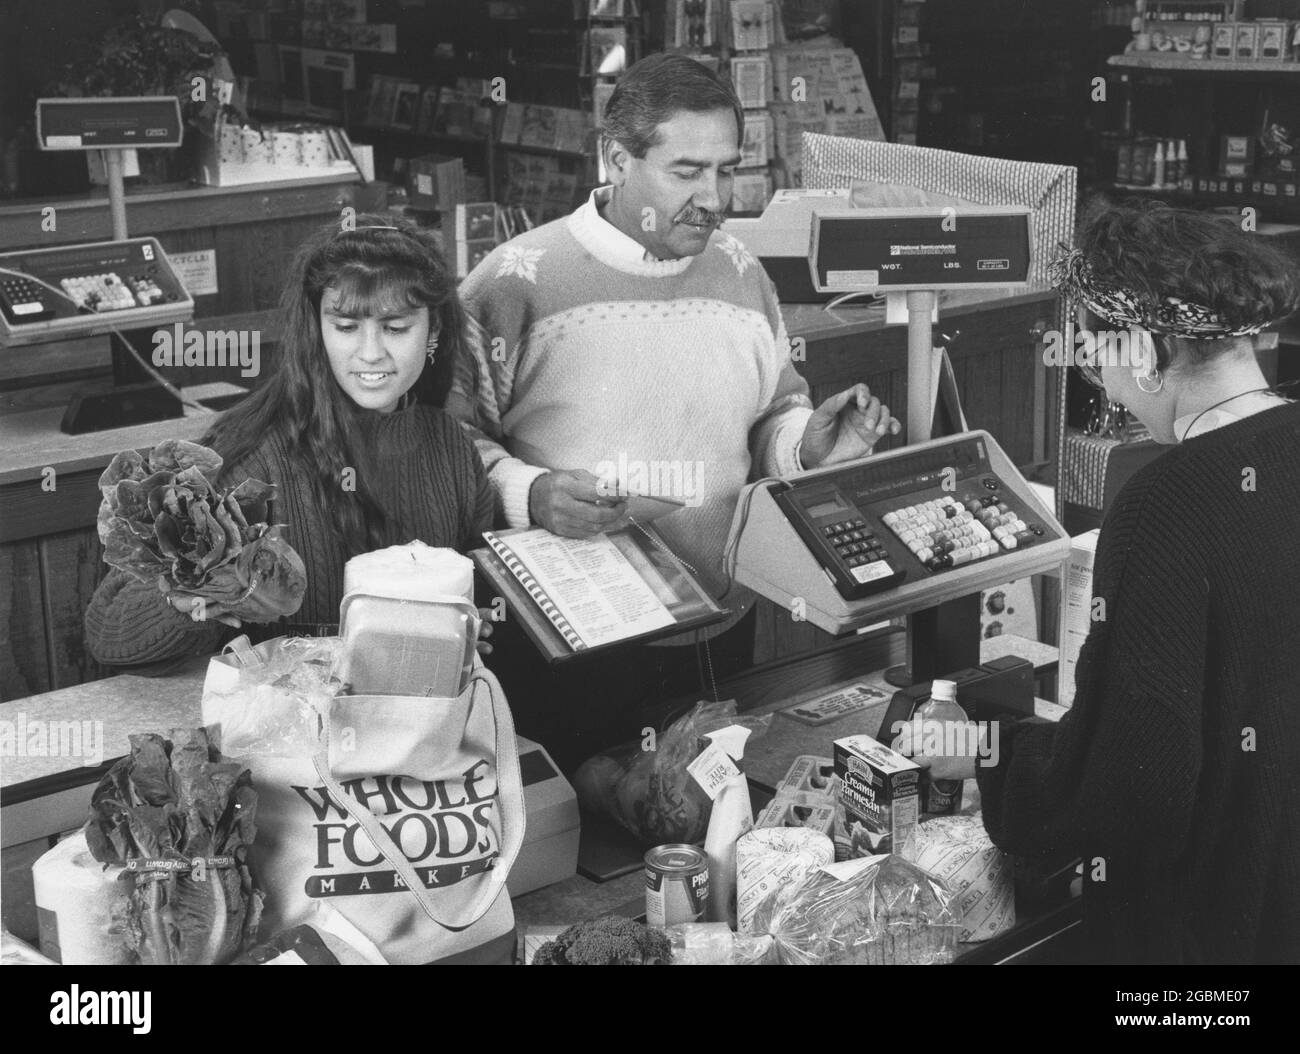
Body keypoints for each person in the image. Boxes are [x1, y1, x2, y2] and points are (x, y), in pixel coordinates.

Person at [447, 53, 900, 767]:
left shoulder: (743, 272)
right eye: (686, 171)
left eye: (726, 169)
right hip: (569, 642)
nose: (713, 196)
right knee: (574, 852)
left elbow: (771, 417)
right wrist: (530, 494)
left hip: (720, 625)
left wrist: (805, 446)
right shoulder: (513, 281)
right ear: (616, 157)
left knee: (696, 833)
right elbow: (449, 440)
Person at [920, 200, 1300, 964]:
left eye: (1102, 360)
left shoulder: (1164, 506)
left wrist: (991, 755)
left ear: (1148, 348)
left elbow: (1137, 787)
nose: (1112, 393)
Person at [85, 215, 494, 666]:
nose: (372, 352)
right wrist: (186, 602)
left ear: (433, 331)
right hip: (285, 726)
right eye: (345, 327)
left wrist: (469, 626)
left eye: (396, 328)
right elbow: (107, 631)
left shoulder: (452, 446)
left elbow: (474, 589)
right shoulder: (251, 460)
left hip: (418, 721)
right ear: (316, 329)